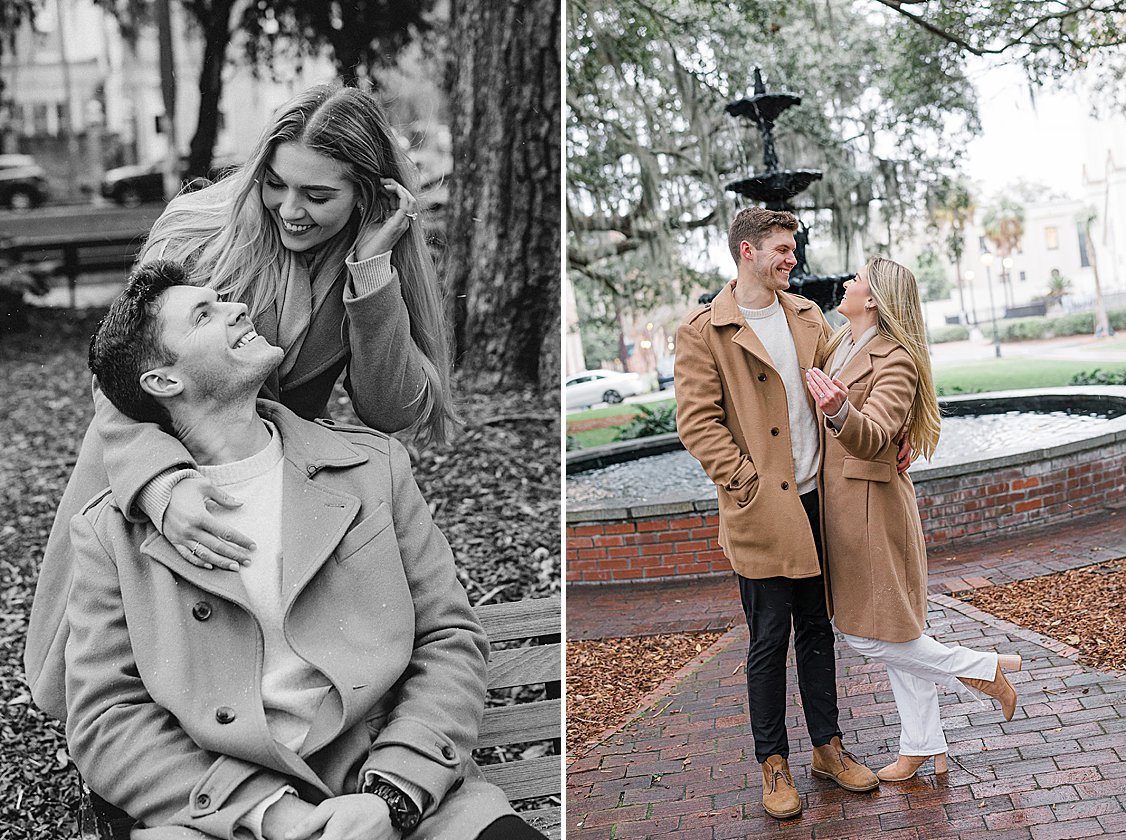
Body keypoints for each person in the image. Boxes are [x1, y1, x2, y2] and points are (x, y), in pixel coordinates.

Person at [65, 261, 547, 840]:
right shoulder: (111, 535)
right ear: (164, 382)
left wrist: (392, 794)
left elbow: (448, 638)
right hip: (228, 811)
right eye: (203, 315)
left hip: (395, 788)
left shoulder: (370, 468)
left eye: (223, 298)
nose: (237, 309)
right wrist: (270, 813)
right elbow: (106, 717)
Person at [26, 83, 456, 722]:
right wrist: (160, 486)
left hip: (272, 477)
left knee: (264, 664)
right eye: (276, 184)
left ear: (367, 196)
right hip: (154, 456)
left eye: (318, 196)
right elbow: (122, 370)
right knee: (128, 674)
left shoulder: (373, 255)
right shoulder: (199, 232)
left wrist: (370, 273)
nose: (291, 210)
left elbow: (391, 409)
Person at [674, 207, 884, 820]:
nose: (793, 259)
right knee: (768, 640)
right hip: (762, 510)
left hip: (819, 500)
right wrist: (747, 484)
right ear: (748, 251)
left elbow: (850, 380)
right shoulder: (704, 331)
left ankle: (828, 748)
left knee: (818, 630)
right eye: (782, 249)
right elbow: (697, 423)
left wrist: (887, 433)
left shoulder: (808, 316)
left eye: (794, 248)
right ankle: (773, 763)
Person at [803, 256, 1021, 782]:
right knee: (900, 631)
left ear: (874, 298)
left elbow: (876, 434)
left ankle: (982, 669)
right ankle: (923, 744)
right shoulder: (838, 342)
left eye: (858, 279)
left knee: (866, 633)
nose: (847, 283)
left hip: (871, 510)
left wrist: (839, 411)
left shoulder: (897, 359)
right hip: (843, 506)